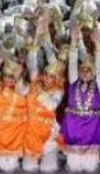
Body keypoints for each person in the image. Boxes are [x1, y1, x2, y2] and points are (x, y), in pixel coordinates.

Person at [60, 24, 100, 173]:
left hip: (92, 128)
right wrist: (73, 41)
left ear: (94, 73)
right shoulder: (73, 82)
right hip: (73, 126)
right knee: (73, 166)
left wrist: (97, 44)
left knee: (90, 166)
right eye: (83, 70)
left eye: (89, 71)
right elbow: (72, 64)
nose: (85, 73)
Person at [23, 27, 65, 173]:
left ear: (56, 78)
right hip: (31, 130)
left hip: (48, 131)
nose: (47, 78)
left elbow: (51, 105)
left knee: (48, 168)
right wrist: (36, 40)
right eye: (46, 74)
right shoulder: (36, 81)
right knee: (29, 168)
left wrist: (40, 93)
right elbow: (32, 64)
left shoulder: (58, 90)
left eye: (51, 76)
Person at [0, 55, 28, 172]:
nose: (7, 79)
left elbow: (21, 90)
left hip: (14, 132)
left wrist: (18, 76)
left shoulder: (23, 87)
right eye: (5, 76)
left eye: (11, 76)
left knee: (8, 166)